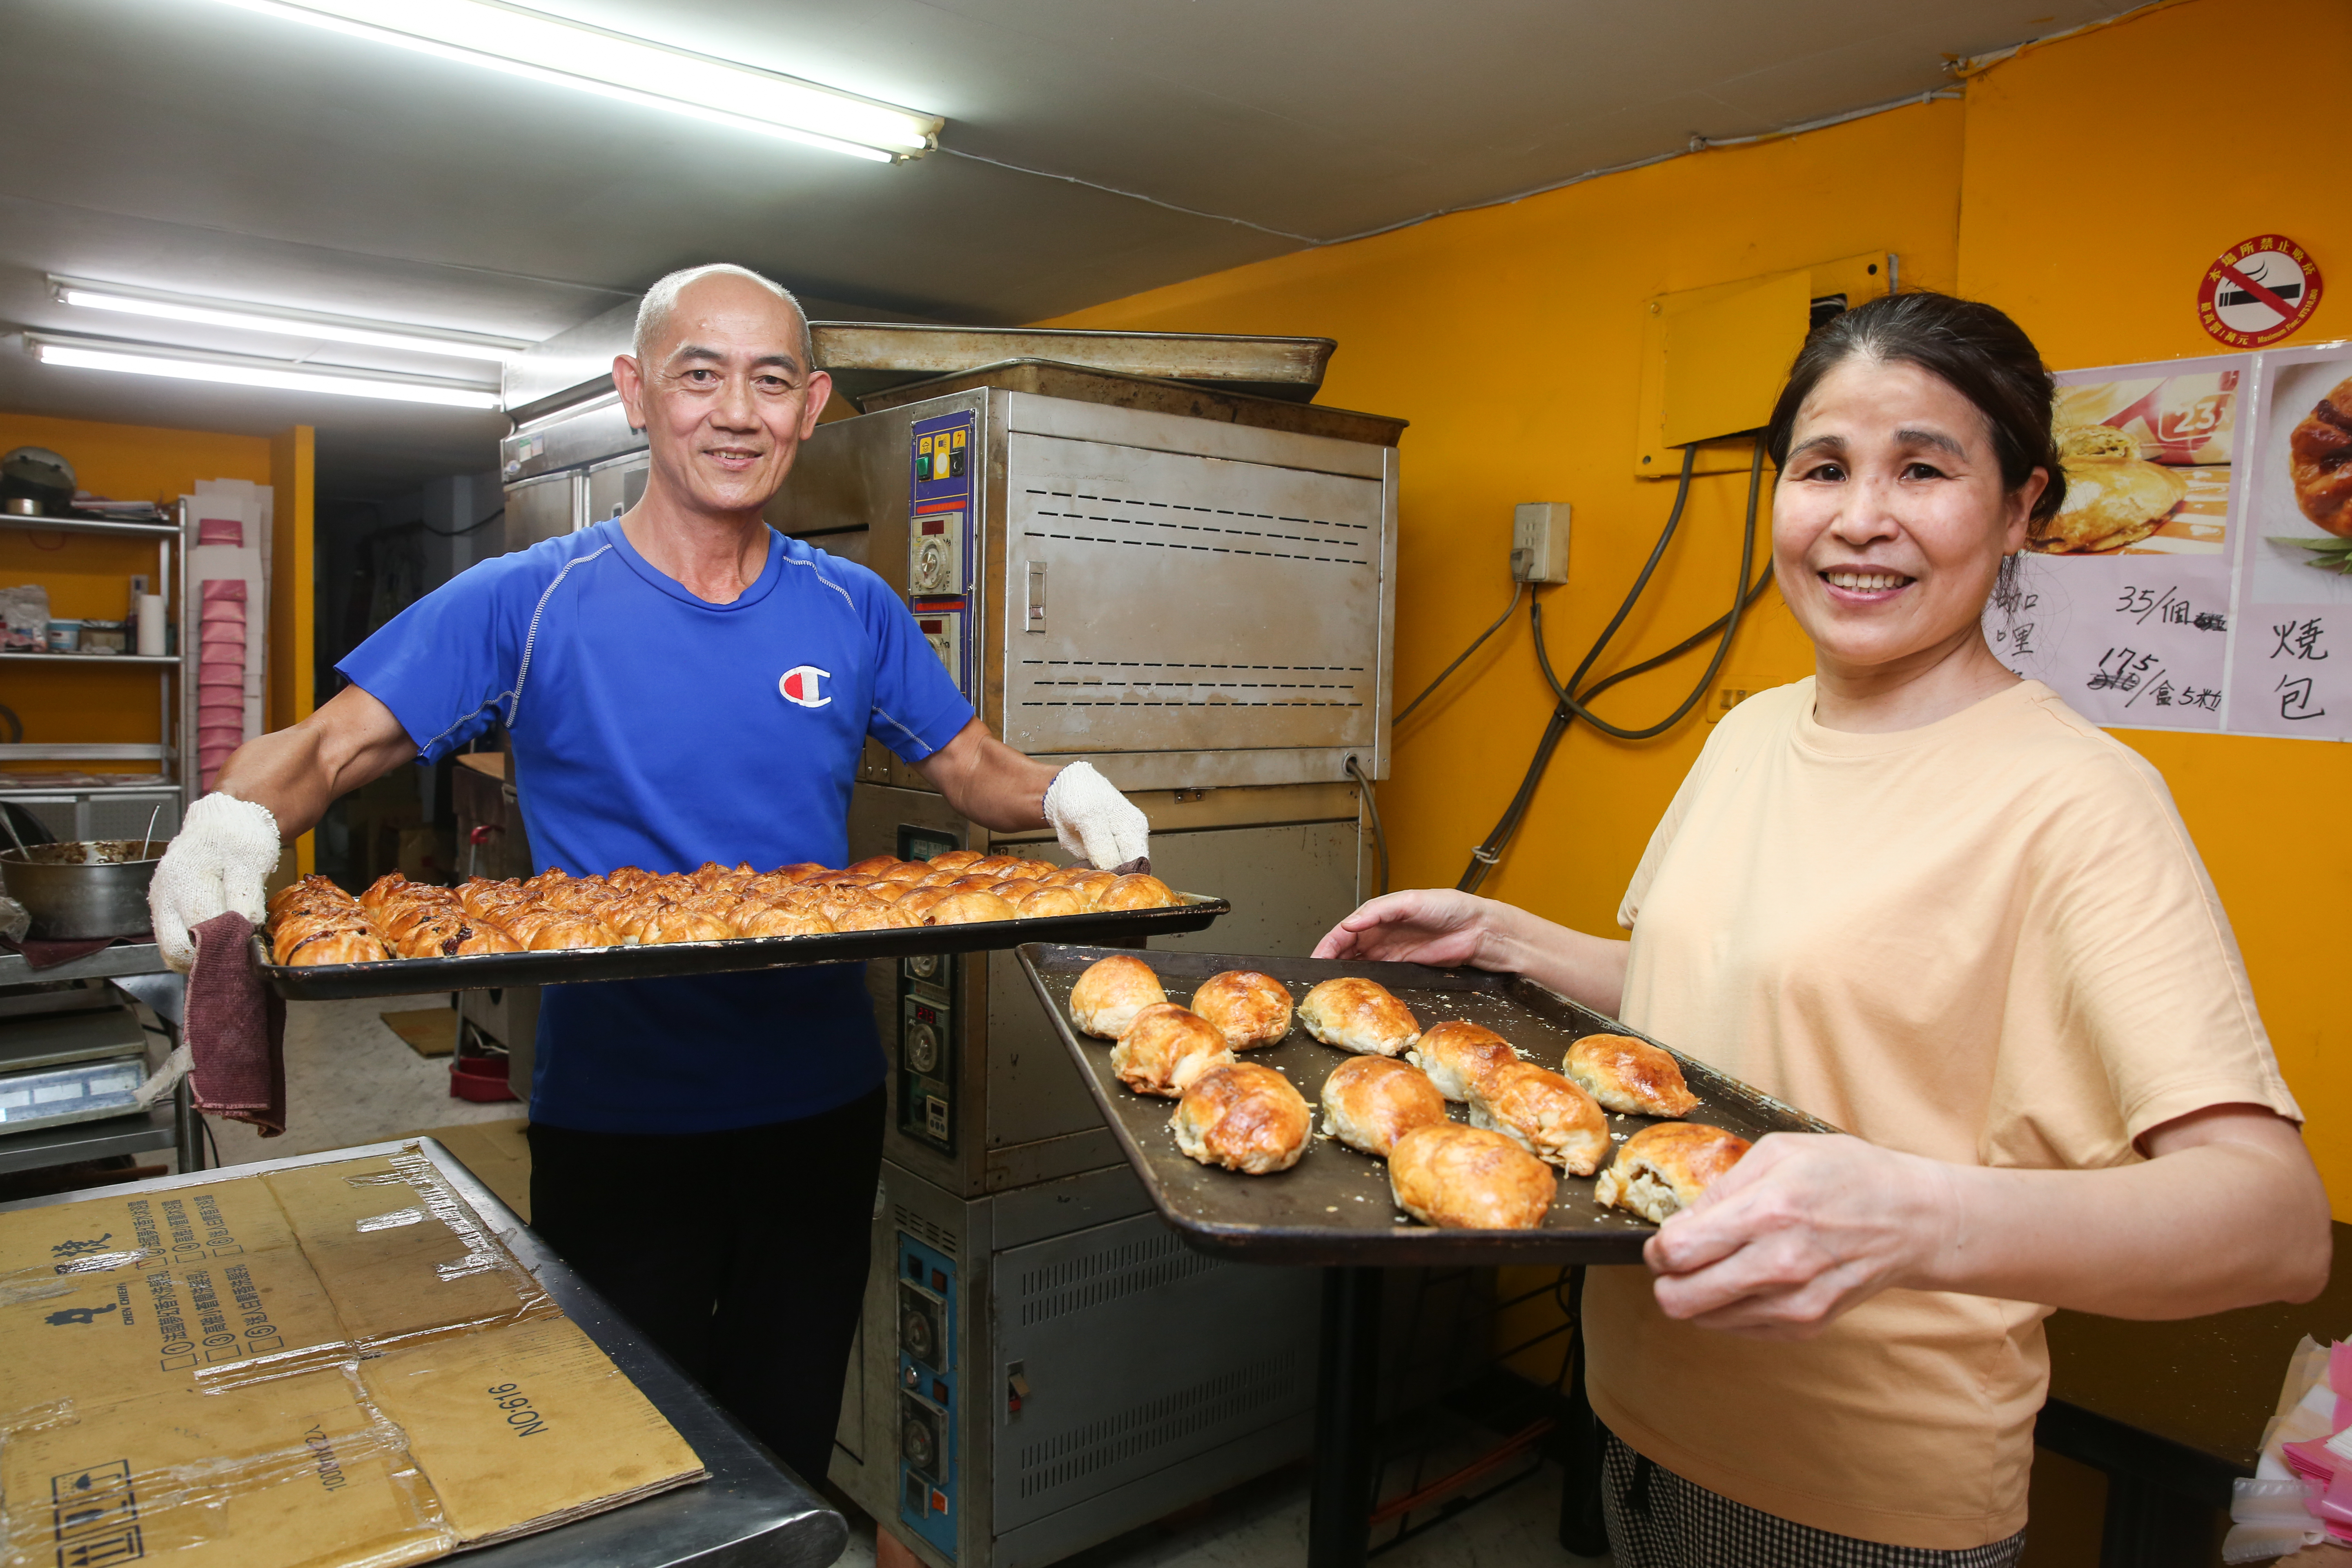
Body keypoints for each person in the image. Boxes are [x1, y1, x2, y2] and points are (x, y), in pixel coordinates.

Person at [1316, 291, 2330, 1566]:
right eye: (1824, 468)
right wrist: (1507, 942)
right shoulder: (1750, 731)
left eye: (1924, 470)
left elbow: (2271, 1225)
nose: (1860, 518)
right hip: (1634, 1414)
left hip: (1859, 1496)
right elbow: (1723, 989)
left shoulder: (2080, 801)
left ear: (2021, 508)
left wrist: (1915, 1218)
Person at [147, 262, 1153, 1486]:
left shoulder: (854, 607)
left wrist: (1062, 791)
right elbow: (328, 747)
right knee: (640, 1468)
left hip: (820, 1104)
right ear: (636, 393)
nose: (736, 413)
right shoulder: (530, 600)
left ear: (812, 407)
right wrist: (230, 824)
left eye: (770, 382)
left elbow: (972, 765)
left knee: (786, 1443)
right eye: (699, 375)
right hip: (619, 1117)